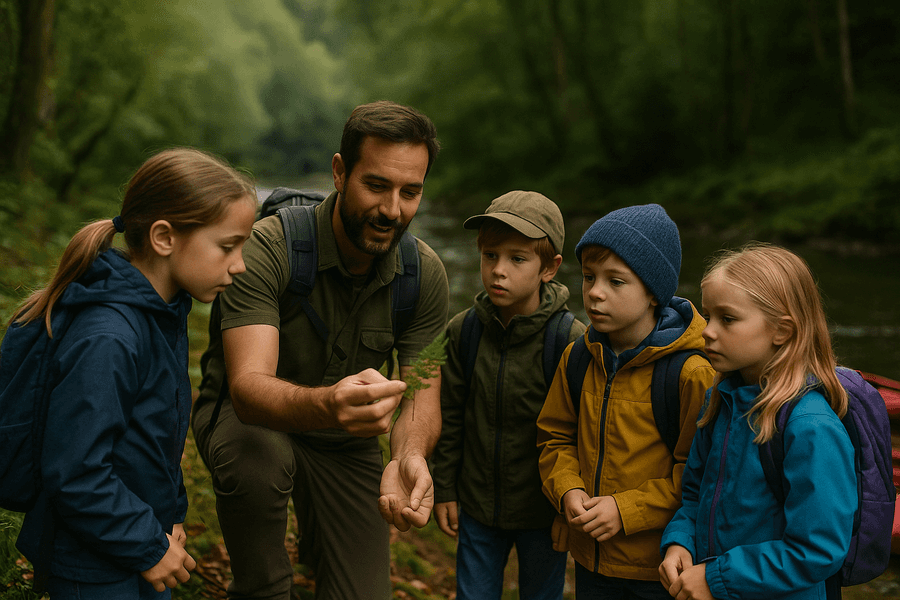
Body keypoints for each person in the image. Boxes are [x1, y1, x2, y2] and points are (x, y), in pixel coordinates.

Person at [191, 100, 449, 599]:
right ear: (339, 172)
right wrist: (330, 404)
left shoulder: (427, 276)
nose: (393, 210)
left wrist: (409, 454)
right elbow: (247, 390)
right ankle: (262, 587)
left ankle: (321, 542)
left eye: (410, 192)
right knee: (259, 457)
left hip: (344, 445)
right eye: (376, 185)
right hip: (251, 424)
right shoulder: (269, 247)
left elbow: (421, 390)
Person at [4, 147, 257, 598]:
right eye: (227, 246)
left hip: (140, 542)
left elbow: (153, 439)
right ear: (164, 238)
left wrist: (171, 514)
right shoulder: (110, 337)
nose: (239, 264)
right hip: (94, 567)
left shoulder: (162, 314)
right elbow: (76, 472)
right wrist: (146, 545)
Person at [536, 204, 715, 599]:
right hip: (590, 559)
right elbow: (554, 437)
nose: (595, 292)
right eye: (588, 277)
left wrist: (626, 510)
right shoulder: (579, 357)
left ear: (653, 291)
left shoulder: (692, 373)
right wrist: (567, 490)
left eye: (616, 281)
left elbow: (700, 475)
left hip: (659, 568)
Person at [658, 243, 856, 600]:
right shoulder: (720, 400)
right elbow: (694, 494)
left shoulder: (811, 427)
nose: (707, 330)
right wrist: (680, 543)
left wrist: (716, 579)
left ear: (782, 331)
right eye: (707, 315)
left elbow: (817, 550)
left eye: (727, 319)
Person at [431, 191, 586, 599]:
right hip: (478, 508)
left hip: (544, 510)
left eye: (518, 259)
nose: (499, 271)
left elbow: (585, 432)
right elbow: (450, 415)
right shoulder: (464, 331)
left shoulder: (570, 340)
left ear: (549, 269)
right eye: (490, 256)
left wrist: (569, 507)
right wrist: (444, 487)